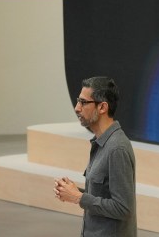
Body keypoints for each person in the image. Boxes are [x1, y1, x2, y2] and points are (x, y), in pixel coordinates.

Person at [54, 77, 137, 236]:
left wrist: (79, 197)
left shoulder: (117, 149)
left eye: (83, 102)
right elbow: (103, 195)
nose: (77, 108)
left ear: (102, 107)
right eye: (78, 101)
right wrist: (72, 192)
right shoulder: (100, 143)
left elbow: (123, 208)